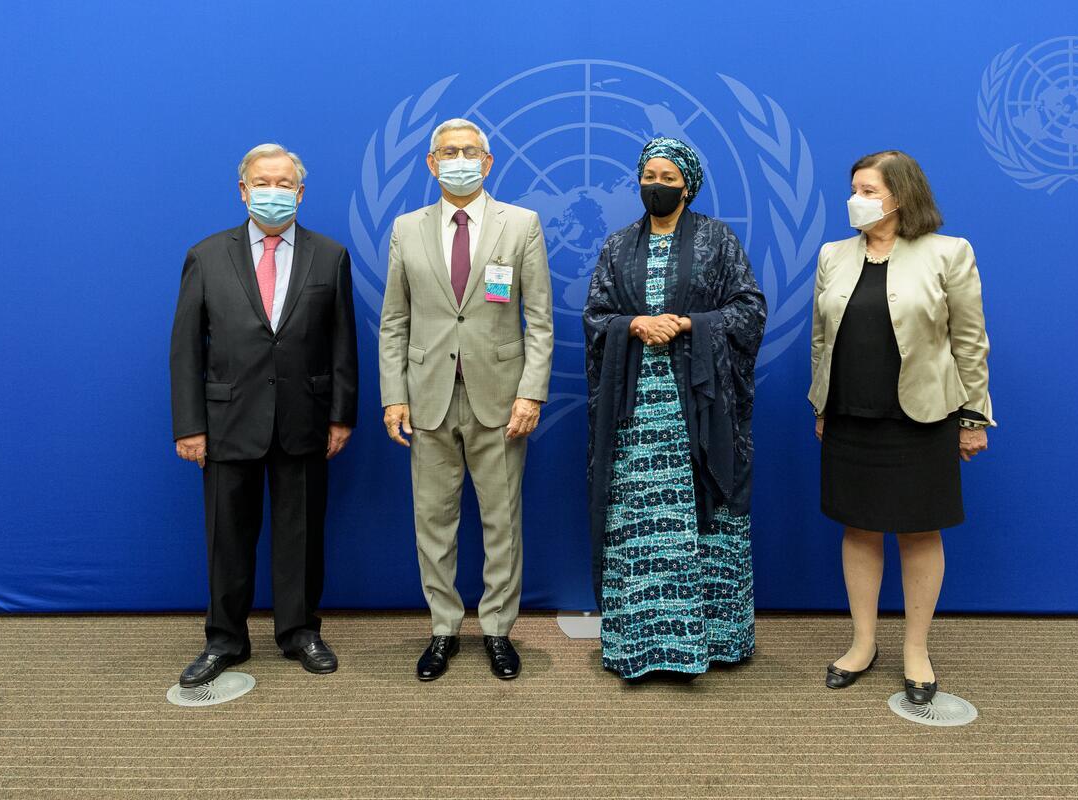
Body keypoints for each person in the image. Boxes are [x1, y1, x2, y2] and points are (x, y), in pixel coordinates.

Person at [170, 143, 358, 687]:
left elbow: (343, 345)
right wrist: (190, 425)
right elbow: (186, 349)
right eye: (262, 183)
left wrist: (341, 416)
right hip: (227, 421)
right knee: (227, 536)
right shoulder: (206, 255)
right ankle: (225, 639)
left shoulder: (330, 256)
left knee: (302, 535)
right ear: (243, 190)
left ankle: (300, 632)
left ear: (300, 193)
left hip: (305, 418)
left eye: (284, 184)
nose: (273, 193)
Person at [809, 150, 993, 703]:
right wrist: (821, 406)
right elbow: (821, 339)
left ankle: (916, 649)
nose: (856, 200)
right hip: (849, 414)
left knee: (919, 531)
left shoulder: (948, 253)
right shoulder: (832, 255)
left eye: (868, 191)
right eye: (854, 189)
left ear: (901, 196)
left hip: (924, 417)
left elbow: (969, 341)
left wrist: (973, 417)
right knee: (859, 528)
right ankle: (863, 643)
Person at [584, 137, 766, 682]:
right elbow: (596, 316)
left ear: (688, 186)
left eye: (667, 178)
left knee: (707, 520)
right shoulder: (618, 246)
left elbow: (749, 309)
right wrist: (635, 324)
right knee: (639, 523)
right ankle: (640, 644)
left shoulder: (718, 239)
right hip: (637, 414)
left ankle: (716, 641)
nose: (656, 186)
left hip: (702, 410)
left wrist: (689, 324)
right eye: (648, 176)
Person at [379, 118, 553, 681]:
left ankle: (498, 629)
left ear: (488, 161)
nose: (459, 160)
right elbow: (395, 321)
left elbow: (539, 321)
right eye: (448, 152)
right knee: (433, 521)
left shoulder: (521, 224)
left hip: (501, 401)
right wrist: (393, 395)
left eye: (469, 151)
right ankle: (443, 628)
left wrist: (531, 393)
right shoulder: (406, 228)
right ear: (432, 164)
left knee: (502, 521)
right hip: (427, 398)